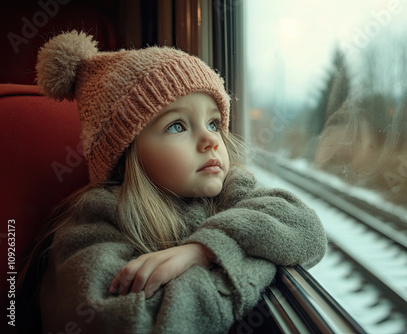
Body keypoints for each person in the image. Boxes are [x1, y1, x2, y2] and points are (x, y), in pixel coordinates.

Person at [29, 30, 327, 333]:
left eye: (213, 123)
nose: (211, 139)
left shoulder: (229, 191)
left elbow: (307, 229)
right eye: (177, 126)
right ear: (124, 156)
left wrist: (202, 251)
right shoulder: (95, 224)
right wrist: (257, 260)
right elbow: (147, 323)